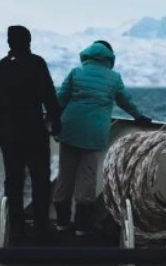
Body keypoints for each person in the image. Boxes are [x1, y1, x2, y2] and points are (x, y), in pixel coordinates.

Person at [53, 40, 151, 236]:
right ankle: (82, 226)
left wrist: (52, 119)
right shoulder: (113, 78)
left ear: (87, 54)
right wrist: (139, 116)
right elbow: (125, 101)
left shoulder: (76, 72)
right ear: (109, 57)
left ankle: (62, 223)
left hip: (70, 129)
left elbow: (60, 98)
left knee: (65, 175)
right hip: (93, 132)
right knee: (87, 176)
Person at [0, 25, 61, 243]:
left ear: (9, 42)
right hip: (34, 131)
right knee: (40, 180)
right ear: (29, 41)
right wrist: (56, 120)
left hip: (9, 134)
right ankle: (40, 228)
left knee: (13, 180)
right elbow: (49, 95)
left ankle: (16, 228)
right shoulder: (36, 64)